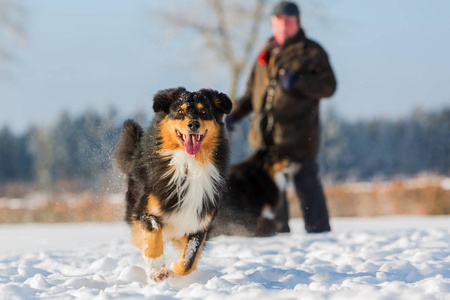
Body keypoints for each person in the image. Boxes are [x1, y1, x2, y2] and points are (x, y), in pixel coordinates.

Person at [226, 1, 336, 233]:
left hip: (299, 137)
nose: (284, 25)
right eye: (279, 20)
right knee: (271, 191)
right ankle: (277, 234)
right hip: (266, 139)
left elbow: (329, 86)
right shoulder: (265, 52)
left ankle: (320, 236)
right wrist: (232, 115)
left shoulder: (311, 51)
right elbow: (250, 94)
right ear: (272, 22)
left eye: (289, 20)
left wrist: (301, 81)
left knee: (307, 185)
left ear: (297, 22)